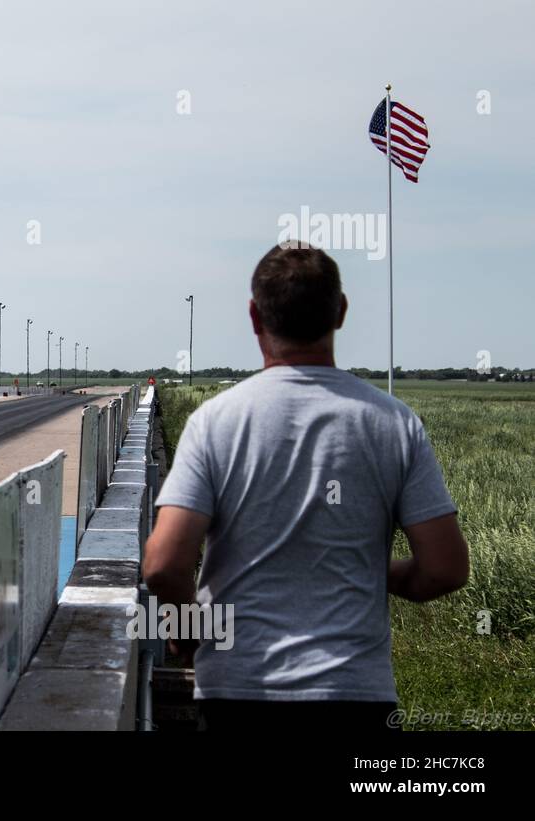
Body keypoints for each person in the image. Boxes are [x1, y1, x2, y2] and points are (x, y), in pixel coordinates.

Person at [143, 241, 469, 731]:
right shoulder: (394, 423)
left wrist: (192, 629)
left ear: (254, 316)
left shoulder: (216, 421)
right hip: (356, 694)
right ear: (340, 311)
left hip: (239, 690)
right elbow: (444, 570)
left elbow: (164, 565)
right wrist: (362, 568)